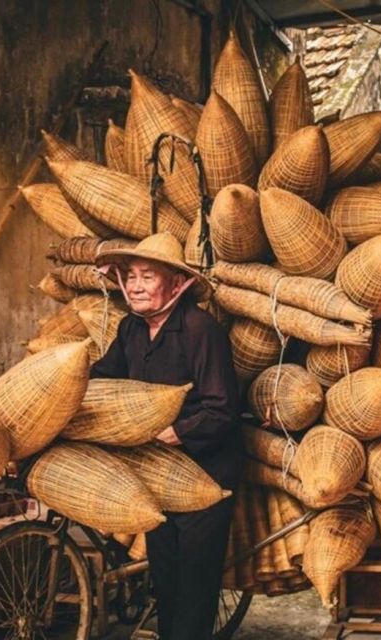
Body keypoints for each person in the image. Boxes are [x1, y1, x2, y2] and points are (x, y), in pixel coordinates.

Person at [91, 232, 241, 640]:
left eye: (148, 277)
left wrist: (175, 432)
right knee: (167, 578)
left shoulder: (199, 330)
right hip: (157, 474)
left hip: (205, 475)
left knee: (195, 584)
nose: (137, 286)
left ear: (176, 284)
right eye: (132, 277)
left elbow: (221, 409)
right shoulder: (130, 330)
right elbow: (103, 377)